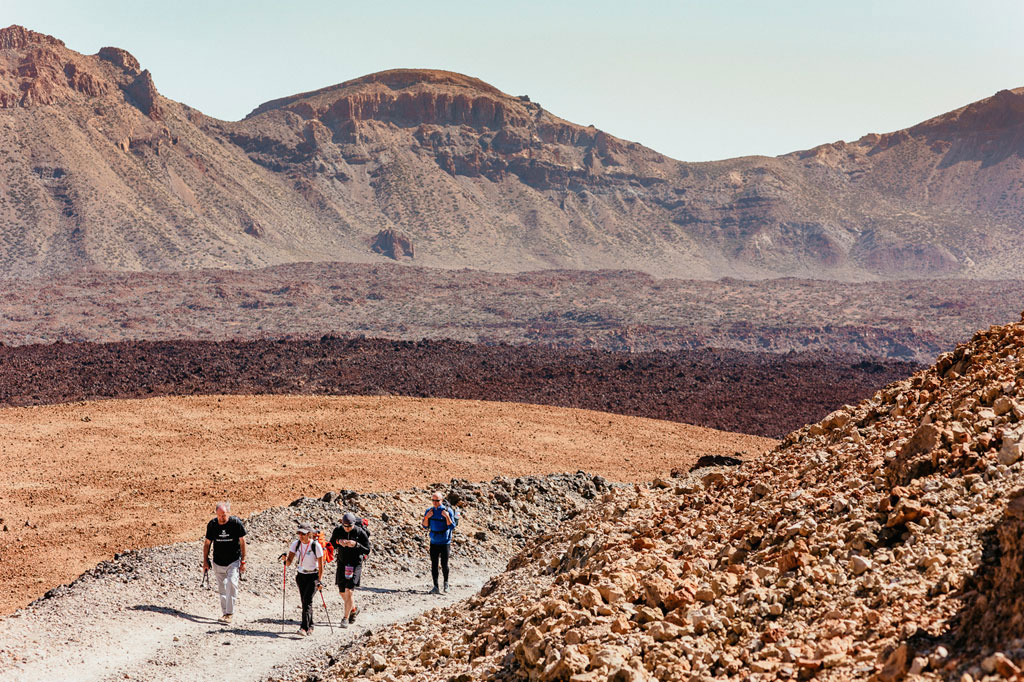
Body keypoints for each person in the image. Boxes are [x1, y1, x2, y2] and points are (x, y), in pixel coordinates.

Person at [202, 501, 247, 623]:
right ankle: (225, 613)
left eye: (224, 515)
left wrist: (243, 561)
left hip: (233, 561)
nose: (222, 518)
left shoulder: (235, 523)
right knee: (222, 588)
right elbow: (207, 543)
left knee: (232, 583)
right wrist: (205, 561)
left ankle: (229, 613)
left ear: (229, 513)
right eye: (219, 515)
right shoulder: (212, 524)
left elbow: (242, 542)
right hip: (217, 562)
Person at [329, 512, 371, 628]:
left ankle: (345, 618)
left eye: (349, 526)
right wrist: (338, 542)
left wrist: (356, 544)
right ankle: (353, 609)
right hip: (342, 563)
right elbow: (331, 544)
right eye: (345, 526)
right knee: (342, 592)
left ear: (353, 524)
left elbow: (367, 549)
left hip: (355, 563)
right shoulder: (338, 530)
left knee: (349, 590)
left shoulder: (359, 532)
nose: (347, 529)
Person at [283, 523, 324, 636]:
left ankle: (303, 628)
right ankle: (311, 625)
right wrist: (284, 560)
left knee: (306, 601)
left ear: (309, 534)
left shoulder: (316, 546)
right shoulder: (296, 544)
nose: (301, 536)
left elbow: (321, 566)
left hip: (313, 576)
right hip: (301, 576)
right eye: (299, 533)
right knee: (306, 602)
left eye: (303, 533)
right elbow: (289, 562)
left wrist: (320, 581)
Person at [422, 492, 456, 594]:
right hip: (434, 542)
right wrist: (427, 517)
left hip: (445, 542)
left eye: (437, 501)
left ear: (441, 500)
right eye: (433, 500)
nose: (435, 503)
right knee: (434, 564)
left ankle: (446, 584)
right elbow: (424, 526)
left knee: (444, 564)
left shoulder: (447, 511)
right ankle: (435, 586)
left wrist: (447, 517)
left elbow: (452, 526)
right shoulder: (429, 511)